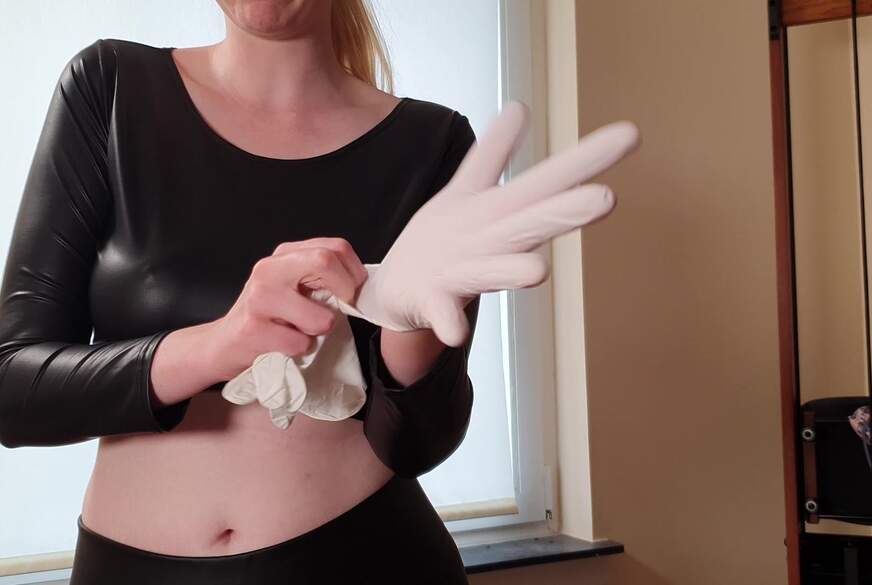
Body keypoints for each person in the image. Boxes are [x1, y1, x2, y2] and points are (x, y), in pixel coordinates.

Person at [0, 1, 481, 583]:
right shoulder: (111, 88)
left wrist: (411, 334)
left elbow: (416, 446)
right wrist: (220, 344)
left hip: (365, 559)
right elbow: (12, 389)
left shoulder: (433, 144)